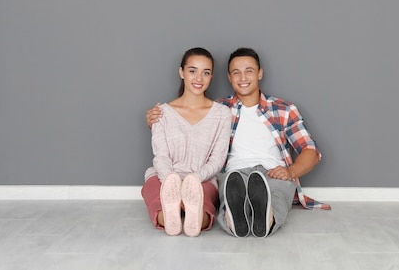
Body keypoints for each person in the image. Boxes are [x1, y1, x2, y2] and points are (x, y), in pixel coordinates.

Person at [146, 47, 329, 238]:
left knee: (276, 195)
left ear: (259, 73)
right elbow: (189, 126)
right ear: (229, 77)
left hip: (272, 171)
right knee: (230, 192)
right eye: (236, 72)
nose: (243, 77)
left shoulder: (284, 109)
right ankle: (235, 219)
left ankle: (267, 219)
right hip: (235, 174)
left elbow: (311, 151)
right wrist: (155, 119)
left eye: (249, 70)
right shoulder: (218, 110)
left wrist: (290, 172)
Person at [141, 47, 232, 237]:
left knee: (203, 213)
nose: (199, 78)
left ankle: (192, 217)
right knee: (159, 205)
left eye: (205, 73)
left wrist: (194, 180)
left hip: (202, 179)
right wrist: (171, 182)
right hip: (163, 177)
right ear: (181, 72)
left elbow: (217, 160)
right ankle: (171, 215)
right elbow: (161, 156)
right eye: (193, 71)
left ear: (211, 77)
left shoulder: (222, 114)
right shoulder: (161, 113)